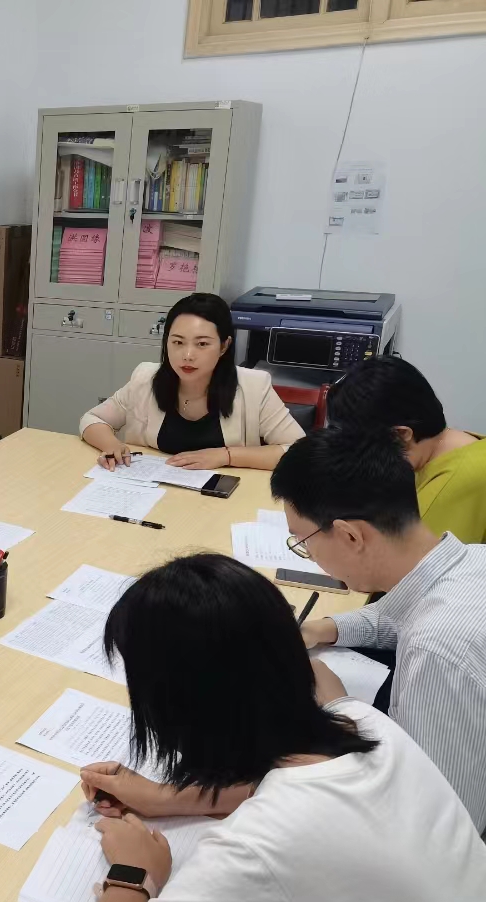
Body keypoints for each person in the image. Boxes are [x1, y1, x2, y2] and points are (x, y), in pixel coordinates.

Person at [57, 553, 486, 902]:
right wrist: (164, 798)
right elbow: (297, 754)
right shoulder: (362, 722)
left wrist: (134, 874)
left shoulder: (256, 849)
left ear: (174, 708)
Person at [270, 427, 486, 833]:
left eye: (303, 541)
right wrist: (321, 629)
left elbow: (446, 822)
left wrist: (340, 706)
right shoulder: (470, 560)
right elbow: (400, 613)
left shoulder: (436, 649)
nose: (309, 555)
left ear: (350, 535)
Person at [79, 293, 303, 471]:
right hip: (153, 489)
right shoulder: (145, 378)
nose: (187, 355)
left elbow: (299, 452)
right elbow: (92, 419)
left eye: (202, 344)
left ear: (224, 346)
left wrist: (225, 456)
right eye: (178, 342)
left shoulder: (254, 387)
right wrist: (113, 445)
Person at [327, 355, 486, 544]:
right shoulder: (457, 447)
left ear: (400, 435)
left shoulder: (457, 483)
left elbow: (413, 558)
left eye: (365, 448)